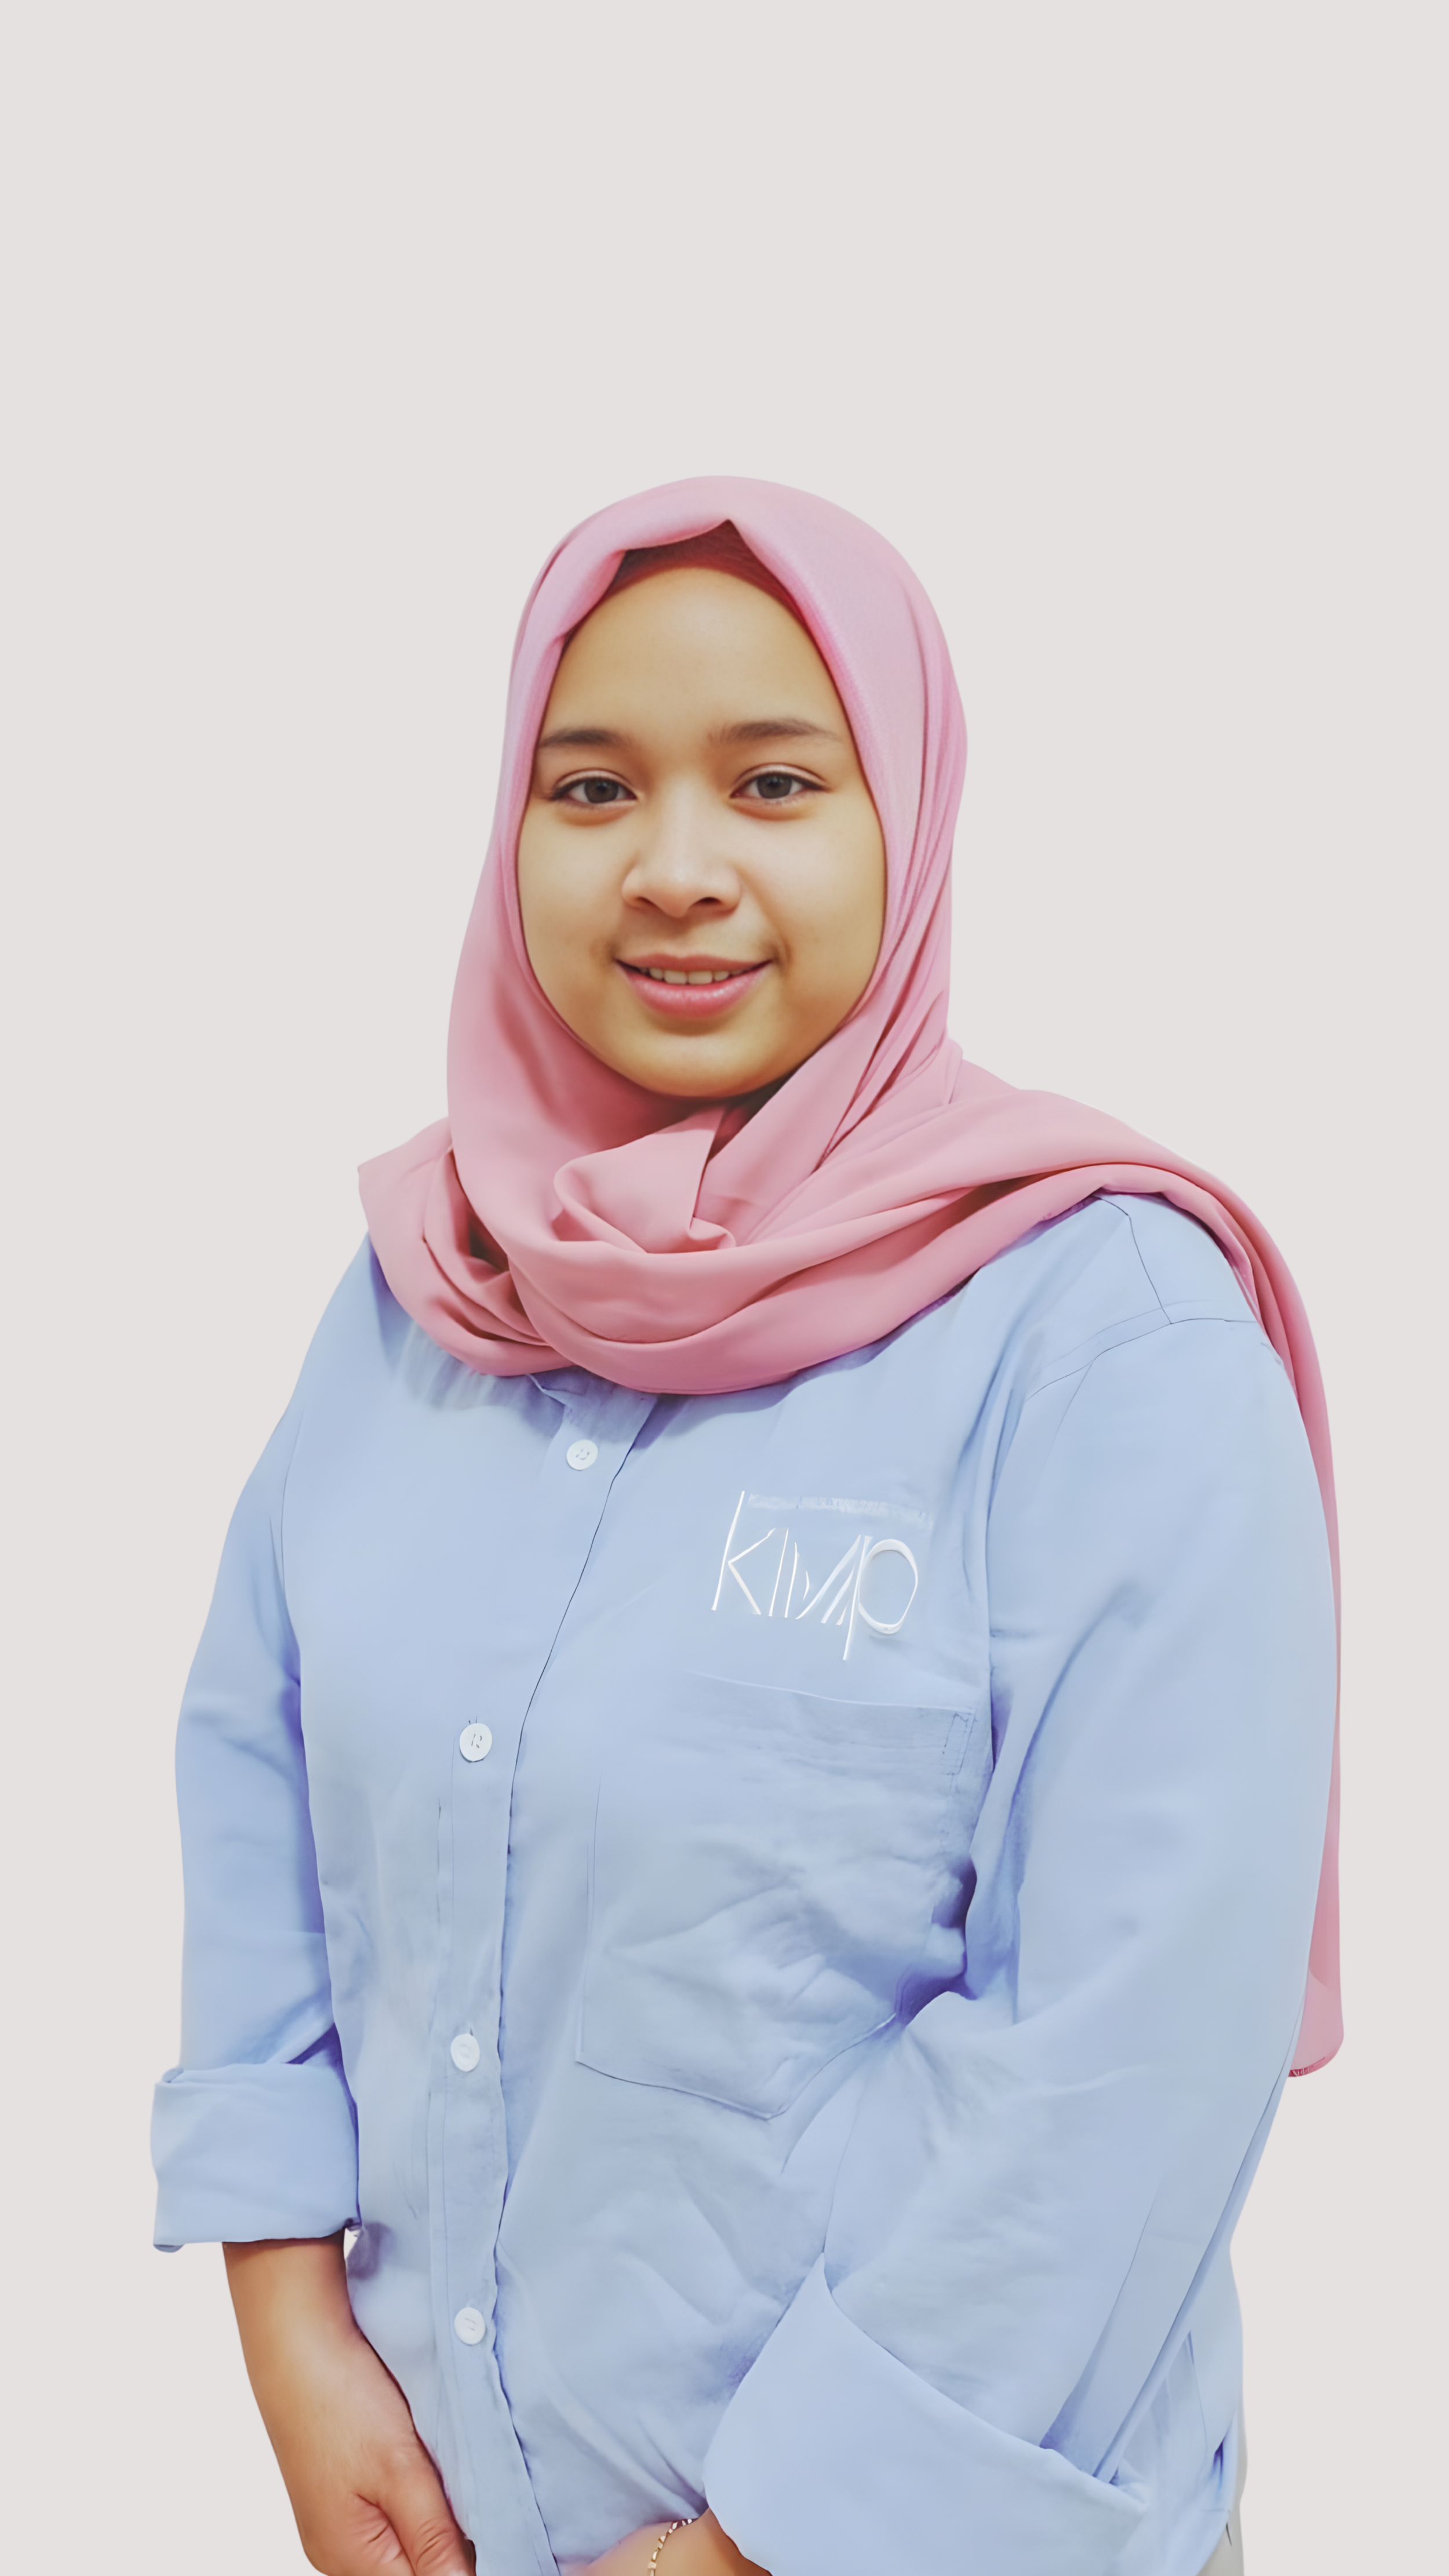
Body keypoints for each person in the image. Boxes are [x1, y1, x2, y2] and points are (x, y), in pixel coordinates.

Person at [152, 480, 1339, 2576]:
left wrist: (768, 2541)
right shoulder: (428, 1283)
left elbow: (1136, 2040)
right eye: (591, 785)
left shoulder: (1102, 1334)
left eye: (775, 782)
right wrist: (286, 2310)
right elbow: (261, 1758)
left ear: (908, 817)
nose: (676, 866)